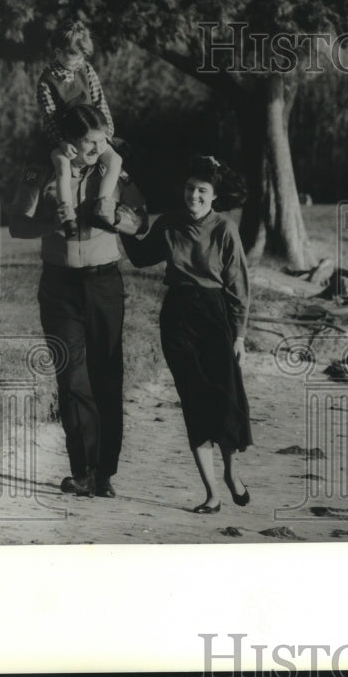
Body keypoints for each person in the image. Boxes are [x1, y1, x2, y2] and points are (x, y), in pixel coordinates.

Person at [9, 104, 147, 498]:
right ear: (68, 140)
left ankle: (105, 472)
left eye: (101, 139)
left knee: (107, 375)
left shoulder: (112, 169)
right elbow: (17, 223)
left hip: (105, 284)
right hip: (59, 288)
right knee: (72, 378)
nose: (98, 146)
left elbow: (142, 219)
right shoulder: (42, 170)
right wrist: (50, 222)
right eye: (89, 141)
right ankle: (83, 470)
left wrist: (117, 218)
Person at [121, 156, 252, 514]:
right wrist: (123, 227)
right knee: (193, 403)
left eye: (202, 191)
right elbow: (142, 258)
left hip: (215, 316)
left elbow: (239, 285)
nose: (193, 195)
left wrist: (239, 336)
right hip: (178, 317)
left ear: (214, 195)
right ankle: (211, 493)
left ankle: (230, 474)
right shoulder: (169, 223)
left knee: (225, 401)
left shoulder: (225, 228)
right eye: (190, 188)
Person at [36, 20, 123, 238]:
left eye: (83, 57)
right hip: (65, 139)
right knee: (63, 166)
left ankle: (102, 208)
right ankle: (67, 217)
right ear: (59, 52)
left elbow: (100, 102)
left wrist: (106, 136)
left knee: (115, 161)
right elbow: (50, 118)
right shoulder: (46, 81)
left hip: (94, 134)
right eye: (75, 56)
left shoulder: (87, 70)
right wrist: (62, 143)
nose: (80, 62)